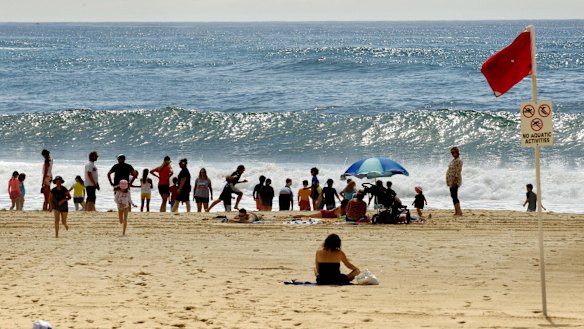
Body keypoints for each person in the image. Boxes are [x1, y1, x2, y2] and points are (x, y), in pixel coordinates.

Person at [446, 146, 463, 216]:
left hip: (455, 180)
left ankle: (459, 212)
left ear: (457, 152)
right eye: (451, 152)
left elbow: (458, 171)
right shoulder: (453, 160)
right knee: (453, 195)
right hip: (451, 181)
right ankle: (456, 211)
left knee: (454, 195)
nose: (452, 154)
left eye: (453, 152)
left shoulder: (459, 161)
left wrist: (455, 180)